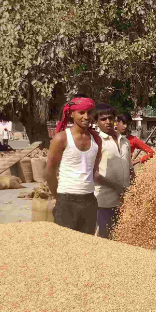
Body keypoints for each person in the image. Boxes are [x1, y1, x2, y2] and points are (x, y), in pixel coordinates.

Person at [45, 96, 102, 234]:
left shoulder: (96, 139)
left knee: (86, 246)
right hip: (66, 199)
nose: (86, 117)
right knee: (65, 247)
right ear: (72, 113)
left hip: (89, 200)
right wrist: (59, 198)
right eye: (81, 112)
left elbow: (93, 170)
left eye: (89, 112)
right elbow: (49, 173)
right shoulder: (61, 138)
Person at [93, 104, 132, 239]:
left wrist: (135, 189)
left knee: (122, 238)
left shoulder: (125, 141)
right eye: (103, 119)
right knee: (105, 237)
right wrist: (117, 188)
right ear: (96, 122)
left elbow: (130, 168)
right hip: (104, 199)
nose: (108, 122)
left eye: (110, 118)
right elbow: (94, 174)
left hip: (124, 199)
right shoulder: (96, 143)